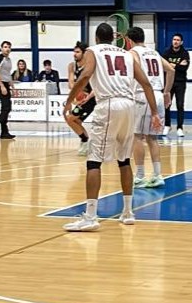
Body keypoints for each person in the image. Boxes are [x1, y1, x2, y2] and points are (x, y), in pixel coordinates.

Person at [63, 22, 161, 232]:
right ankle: (128, 212)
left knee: (94, 161)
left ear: (97, 38)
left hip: (108, 104)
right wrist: (154, 112)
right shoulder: (127, 54)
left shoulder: (93, 51)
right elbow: (145, 83)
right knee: (124, 160)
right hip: (129, 105)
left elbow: (86, 75)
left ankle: (90, 216)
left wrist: (69, 100)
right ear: (113, 38)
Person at [128, 26, 173, 188]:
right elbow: (171, 70)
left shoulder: (133, 53)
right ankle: (157, 175)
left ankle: (140, 176)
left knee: (137, 136)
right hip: (159, 94)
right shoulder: (154, 53)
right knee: (152, 138)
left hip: (144, 95)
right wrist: (167, 92)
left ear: (129, 40)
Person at [65, 42, 96, 156]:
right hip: (82, 98)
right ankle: (86, 142)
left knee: (70, 119)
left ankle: (85, 140)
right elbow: (71, 84)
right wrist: (77, 94)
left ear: (84, 53)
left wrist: (86, 96)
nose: (75, 54)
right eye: (74, 52)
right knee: (76, 121)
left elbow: (96, 86)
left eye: (78, 52)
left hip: (92, 98)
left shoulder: (90, 66)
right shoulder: (72, 66)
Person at [163, 33, 190, 137]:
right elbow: (163, 66)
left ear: (181, 42)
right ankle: (167, 125)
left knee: (180, 105)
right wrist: (178, 65)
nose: (175, 41)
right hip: (168, 82)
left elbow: (184, 68)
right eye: (174, 39)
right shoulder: (166, 52)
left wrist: (172, 65)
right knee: (167, 104)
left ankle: (179, 127)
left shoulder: (185, 53)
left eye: (178, 40)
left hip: (180, 82)